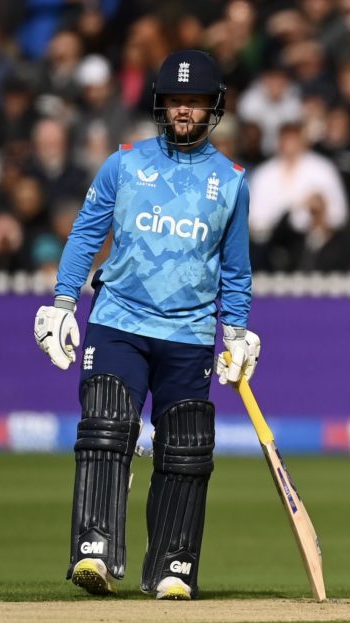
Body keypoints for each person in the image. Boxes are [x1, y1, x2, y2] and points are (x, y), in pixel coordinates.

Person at [32, 50, 260, 601]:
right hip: (118, 320)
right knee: (107, 423)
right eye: (177, 100)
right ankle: (95, 550)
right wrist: (64, 302)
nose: (185, 111)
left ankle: (172, 567)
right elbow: (87, 234)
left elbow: (235, 268)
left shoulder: (230, 181)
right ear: (161, 104)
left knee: (185, 447)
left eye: (197, 102)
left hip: (187, 332)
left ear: (214, 108)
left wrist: (237, 332)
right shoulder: (125, 164)